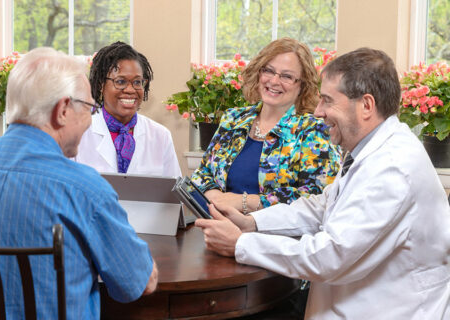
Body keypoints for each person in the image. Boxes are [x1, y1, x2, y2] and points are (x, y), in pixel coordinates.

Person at [196, 48, 450, 319]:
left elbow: (331, 256)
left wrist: (241, 244)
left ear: (366, 105)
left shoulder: (391, 168)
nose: (318, 112)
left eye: (327, 101)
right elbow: (323, 205)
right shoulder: (369, 149)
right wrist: (254, 223)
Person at [0, 47, 158, 319]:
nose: (88, 121)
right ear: (62, 110)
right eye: (88, 108)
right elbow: (139, 283)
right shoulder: (86, 191)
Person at [192, 38, 340, 214]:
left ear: (302, 84)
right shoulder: (234, 119)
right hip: (216, 226)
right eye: (268, 71)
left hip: (277, 238)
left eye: (286, 76)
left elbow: (319, 198)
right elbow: (202, 174)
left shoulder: (315, 130)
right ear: (258, 73)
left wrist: (243, 201)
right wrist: (216, 197)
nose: (274, 81)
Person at [76, 41, 181, 177]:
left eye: (137, 82)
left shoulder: (160, 136)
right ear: (101, 85)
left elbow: (172, 193)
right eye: (120, 82)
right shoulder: (80, 133)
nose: (130, 90)